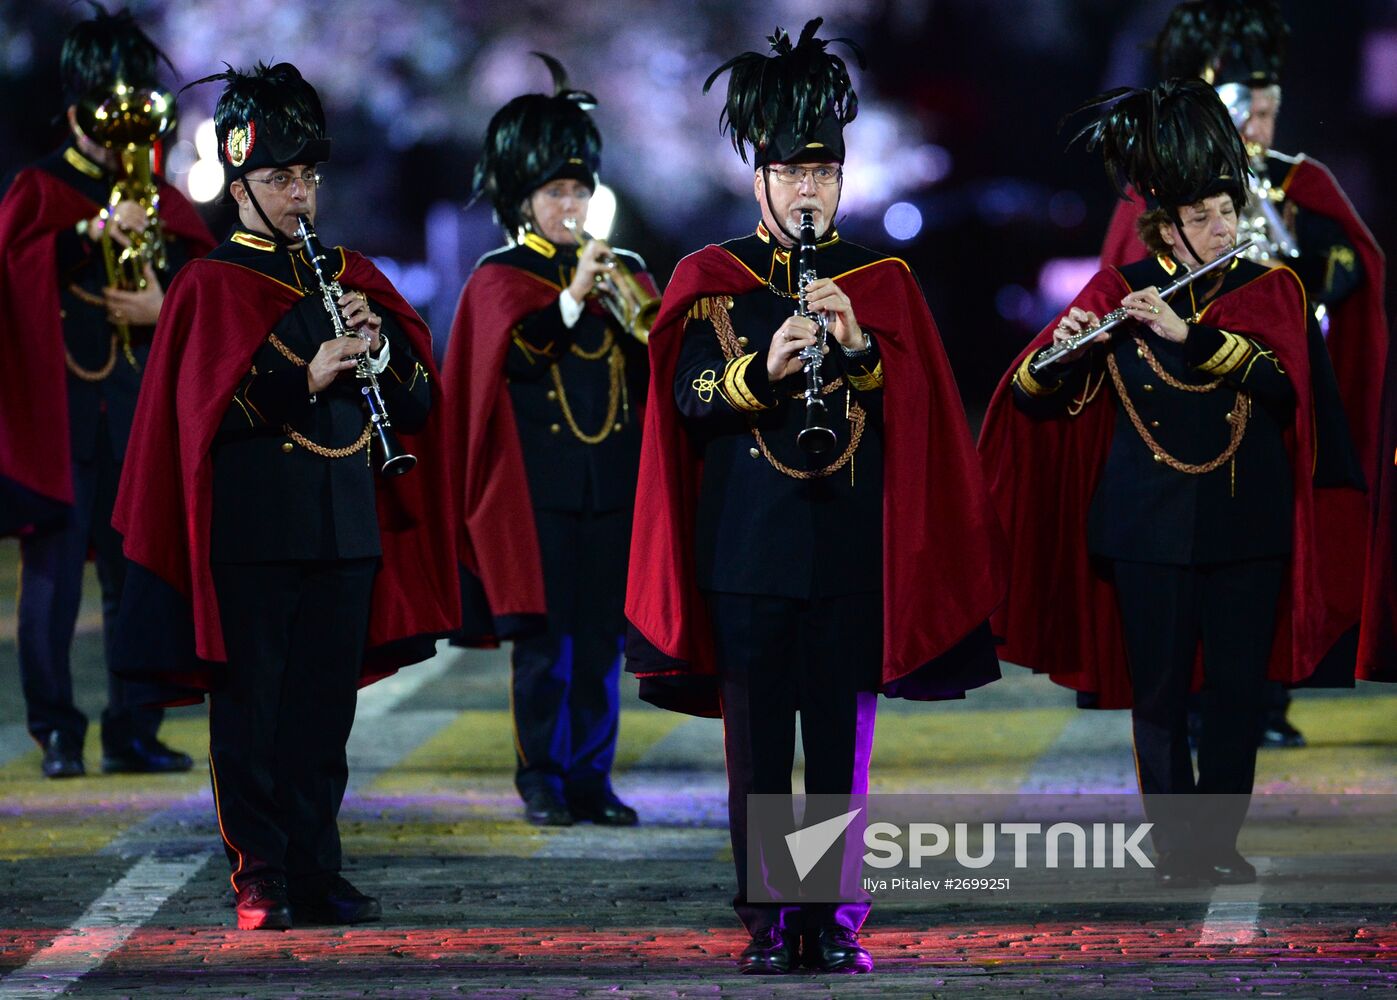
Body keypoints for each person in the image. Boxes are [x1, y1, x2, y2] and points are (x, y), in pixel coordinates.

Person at [623, 19, 1006, 975]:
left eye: (823, 174)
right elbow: (684, 398)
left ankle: (828, 920)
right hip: (745, 556)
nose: (808, 190)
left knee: (839, 755)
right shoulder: (707, 281)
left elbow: (923, 414)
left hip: (846, 552)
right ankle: (767, 920)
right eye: (791, 174)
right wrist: (763, 366)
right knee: (757, 758)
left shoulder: (878, 282)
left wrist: (863, 352)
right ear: (756, 180)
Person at [980, 80, 1365, 887]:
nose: (1222, 226)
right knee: (1157, 696)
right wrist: (1076, 346)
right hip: (1143, 524)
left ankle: (1215, 840)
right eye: (1201, 217)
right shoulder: (1116, 289)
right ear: (1163, 228)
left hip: (1243, 522)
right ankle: (1174, 843)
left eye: (1227, 209)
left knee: (1233, 692)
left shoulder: (1272, 288)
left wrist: (1187, 333)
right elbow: (1027, 396)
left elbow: (1285, 389)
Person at [110, 63, 459, 930]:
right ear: (239, 187)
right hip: (253, 530)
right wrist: (300, 379)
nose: (299, 194)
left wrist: (379, 355)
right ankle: (260, 872)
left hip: (345, 525)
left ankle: (315, 865)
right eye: (278, 179)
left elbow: (419, 403)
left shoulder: (351, 274)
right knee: (252, 714)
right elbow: (191, 423)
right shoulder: (209, 283)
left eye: (307, 178)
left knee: (323, 717)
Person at [1100, 0, 1387, 746]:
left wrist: (1306, 287)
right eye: (1245, 110)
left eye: (1269, 109)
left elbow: (1352, 262)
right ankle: (1195, 703)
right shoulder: (1167, 194)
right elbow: (1121, 281)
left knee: (1274, 550)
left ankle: (1267, 698)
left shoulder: (1296, 182)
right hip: (1180, 415)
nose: (1260, 126)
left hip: (1274, 401)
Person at [0, 7, 212, 779]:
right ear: (76, 107)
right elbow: (12, 270)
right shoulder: (40, 186)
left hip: (135, 407)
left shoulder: (158, 188)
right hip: (58, 413)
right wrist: (89, 234)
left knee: (141, 573)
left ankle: (134, 726)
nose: (123, 127)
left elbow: (206, 276)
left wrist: (168, 293)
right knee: (51, 584)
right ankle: (56, 728)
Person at [443, 54, 652, 829]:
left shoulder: (620, 269)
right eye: (555, 191)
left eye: (579, 190)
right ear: (522, 198)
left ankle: (592, 776)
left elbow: (659, 356)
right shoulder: (500, 276)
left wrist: (628, 305)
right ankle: (541, 775)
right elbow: (517, 357)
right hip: (534, 493)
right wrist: (570, 297)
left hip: (612, 486)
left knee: (600, 644)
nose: (570, 205)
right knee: (543, 646)